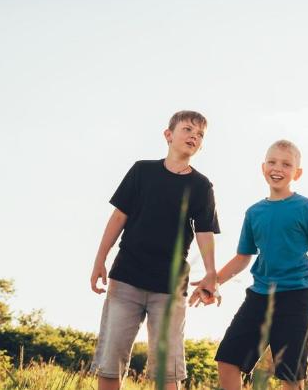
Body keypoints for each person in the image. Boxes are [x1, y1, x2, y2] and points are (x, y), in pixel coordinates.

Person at [196, 140, 308, 390]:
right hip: (259, 297)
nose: (278, 168)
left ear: (297, 173)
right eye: (272, 162)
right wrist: (214, 279)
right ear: (263, 167)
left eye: (286, 164)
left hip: (297, 297)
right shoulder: (254, 212)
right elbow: (243, 257)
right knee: (227, 360)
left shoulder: (306, 208)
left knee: (290, 374)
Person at [89, 110, 220, 390]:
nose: (193, 137)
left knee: (167, 372)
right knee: (110, 364)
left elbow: (205, 231)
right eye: (187, 130)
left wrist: (211, 273)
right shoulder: (141, 171)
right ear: (168, 135)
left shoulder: (201, 186)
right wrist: (100, 259)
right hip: (126, 279)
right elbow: (118, 218)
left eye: (199, 135)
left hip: (170, 288)